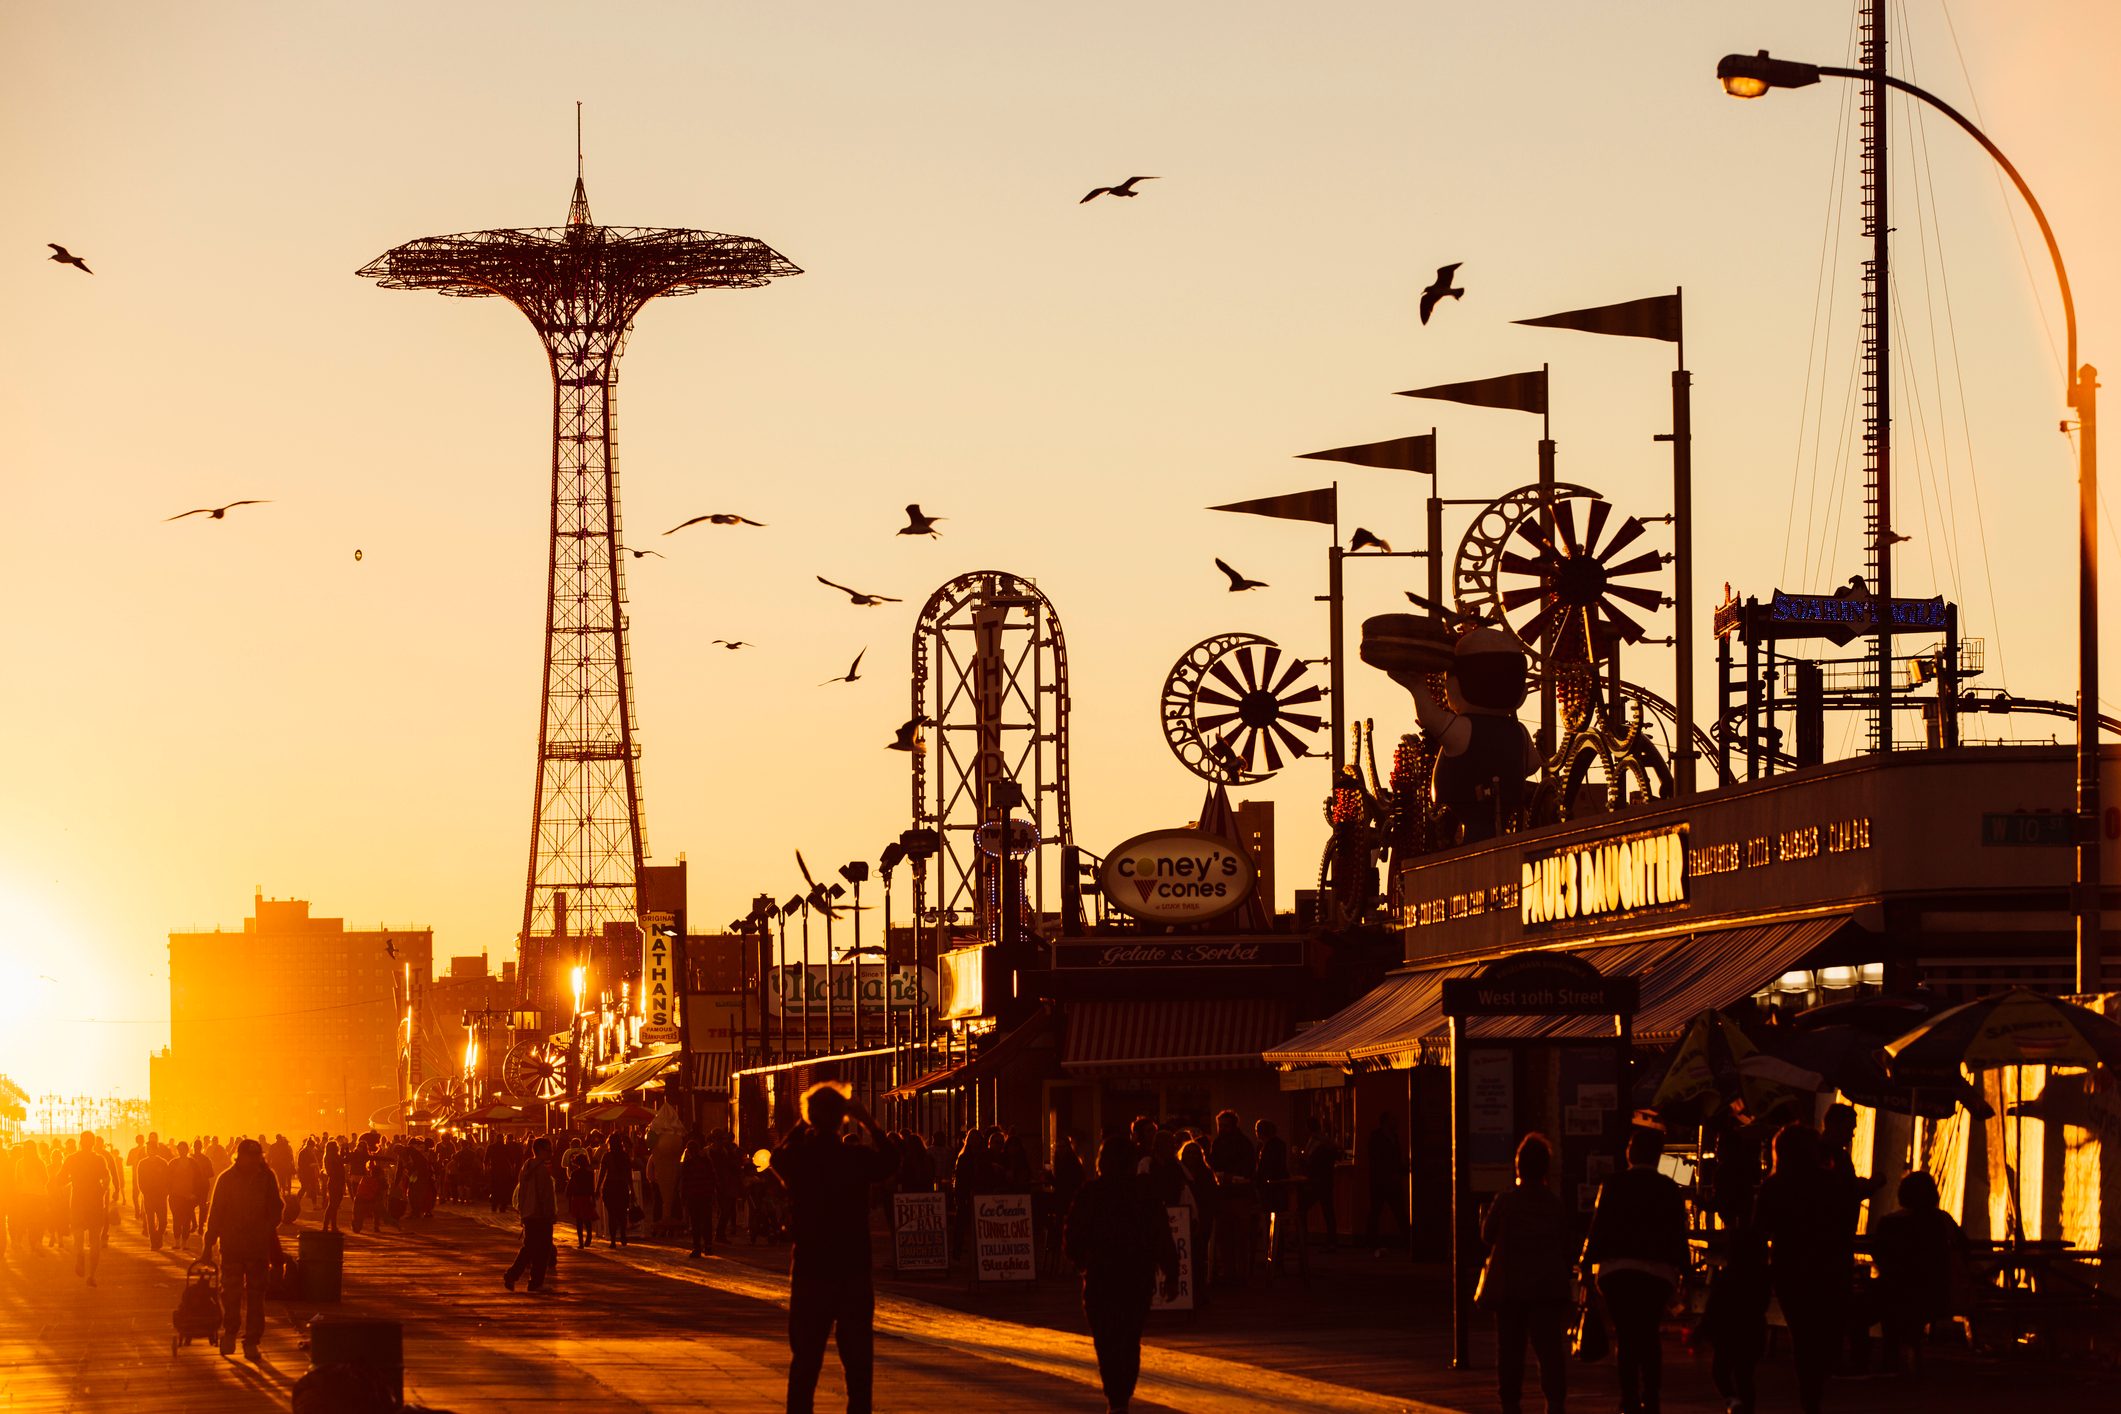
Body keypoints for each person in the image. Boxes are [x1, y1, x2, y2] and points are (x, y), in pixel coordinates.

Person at [770, 1082, 899, 1414]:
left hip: (811, 1268)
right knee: (858, 1363)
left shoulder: (800, 1159)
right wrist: (867, 1121)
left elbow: (778, 1156)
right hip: (852, 1268)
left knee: (805, 1360)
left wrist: (804, 1122)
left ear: (811, 1117)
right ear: (843, 1119)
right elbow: (889, 1162)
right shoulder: (854, 1158)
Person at [1065, 1140, 1181, 1414]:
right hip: (1135, 1276)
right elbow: (1161, 1236)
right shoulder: (1144, 1195)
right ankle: (1122, 1396)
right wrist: (1171, 1273)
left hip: (1101, 1276)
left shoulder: (1091, 1194)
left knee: (1106, 1339)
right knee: (1129, 1338)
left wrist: (1082, 1261)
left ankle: (1115, 1395)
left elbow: (1073, 1235)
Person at [1583, 1121, 1690, 1414]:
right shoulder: (1669, 1189)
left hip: (1618, 1272)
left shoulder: (1613, 1184)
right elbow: (1678, 1234)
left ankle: (1628, 1397)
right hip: (1657, 1275)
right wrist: (1687, 1272)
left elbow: (1599, 1229)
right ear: (1657, 1157)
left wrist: (1586, 1264)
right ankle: (1651, 1395)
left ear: (1631, 1153)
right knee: (1649, 1333)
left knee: (1627, 1335)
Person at [1754, 1123, 1842, 1414]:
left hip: (1789, 1266)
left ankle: (1810, 1394)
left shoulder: (1774, 1187)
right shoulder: (1831, 1184)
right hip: (1827, 1264)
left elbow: (1759, 1231)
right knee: (1823, 1328)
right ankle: (1817, 1384)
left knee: (1802, 1331)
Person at [1481, 1134, 1572, 1414]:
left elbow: (1487, 1236)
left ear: (1518, 1167)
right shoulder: (1554, 1205)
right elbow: (1566, 1246)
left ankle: (1511, 1403)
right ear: (1546, 1168)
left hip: (1511, 1289)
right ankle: (1554, 1403)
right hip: (1546, 1290)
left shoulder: (1506, 1202)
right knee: (1549, 1352)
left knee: (1509, 1352)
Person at [1870, 1170, 1966, 1375]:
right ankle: (1910, 1348)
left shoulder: (1889, 1223)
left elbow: (1879, 1255)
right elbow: (1964, 1249)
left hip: (1894, 1290)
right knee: (1907, 1301)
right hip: (1937, 1292)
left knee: (1885, 1299)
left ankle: (1887, 1357)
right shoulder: (1942, 1221)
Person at [203, 1138, 284, 1360]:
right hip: (232, 1246)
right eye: (250, 1158)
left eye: (258, 1157)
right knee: (231, 1293)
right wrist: (208, 1242)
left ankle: (252, 1340)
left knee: (257, 1296)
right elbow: (216, 1213)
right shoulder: (226, 1179)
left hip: (258, 1248)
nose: (254, 1162)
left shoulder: (267, 1178)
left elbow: (277, 1207)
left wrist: (267, 1228)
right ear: (239, 1157)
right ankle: (230, 1332)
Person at [503, 1136, 559, 1293]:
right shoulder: (541, 1170)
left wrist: (522, 1210)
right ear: (540, 1150)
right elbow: (545, 1195)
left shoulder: (526, 1167)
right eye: (549, 1150)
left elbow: (521, 1191)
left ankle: (513, 1275)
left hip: (528, 1213)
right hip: (540, 1215)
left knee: (529, 1247)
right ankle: (534, 1282)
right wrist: (550, 1213)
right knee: (543, 1249)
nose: (551, 1153)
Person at [61, 1133, 111, 1285]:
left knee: (78, 1233)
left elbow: (61, 1178)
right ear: (93, 1144)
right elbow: (106, 1179)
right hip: (95, 1201)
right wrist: (102, 1191)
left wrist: (70, 1179)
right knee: (95, 1238)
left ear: (80, 1143)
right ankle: (91, 1275)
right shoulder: (99, 1159)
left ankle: (79, 1254)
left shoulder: (71, 1158)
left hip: (77, 1201)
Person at [1364, 1109, 1408, 1247]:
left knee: (1383, 1211)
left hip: (1388, 1180)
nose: (1396, 1122)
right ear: (1386, 1122)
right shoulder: (1382, 1137)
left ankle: (1372, 1241)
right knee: (1388, 1211)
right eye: (1393, 1120)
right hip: (1382, 1181)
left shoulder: (1390, 1136)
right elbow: (1379, 1160)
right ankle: (1406, 1240)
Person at [1299, 1119, 1343, 1251]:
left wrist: (1301, 1160)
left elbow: (1309, 1160)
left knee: (1301, 1209)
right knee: (1328, 1211)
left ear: (1308, 1128)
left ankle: (1302, 1238)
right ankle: (1332, 1240)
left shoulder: (1315, 1142)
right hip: (1326, 1180)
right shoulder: (1327, 1141)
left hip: (1315, 1181)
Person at [679, 1128, 717, 1257]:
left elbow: (684, 1181)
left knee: (697, 1222)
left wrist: (683, 1195)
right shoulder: (705, 1162)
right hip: (703, 1195)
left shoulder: (689, 1164)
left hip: (696, 1196)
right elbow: (712, 1178)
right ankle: (707, 1246)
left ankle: (698, 1247)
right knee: (705, 1221)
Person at [600, 1133, 636, 1247]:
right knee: (622, 1213)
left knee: (612, 1214)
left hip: (610, 1186)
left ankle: (613, 1240)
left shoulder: (607, 1156)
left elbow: (602, 1174)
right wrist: (632, 1190)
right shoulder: (625, 1156)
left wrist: (597, 1188)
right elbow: (629, 1175)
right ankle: (623, 1235)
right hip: (622, 1186)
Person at [138, 1139, 171, 1251]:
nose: (150, 1150)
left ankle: (158, 1236)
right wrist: (145, 1192)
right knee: (150, 1221)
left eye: (152, 1148)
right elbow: (140, 1181)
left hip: (161, 1196)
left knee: (163, 1221)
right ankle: (153, 1243)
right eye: (148, 1149)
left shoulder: (163, 1163)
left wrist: (166, 1192)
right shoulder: (142, 1163)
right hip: (148, 1196)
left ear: (156, 1150)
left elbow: (168, 1179)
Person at [168, 1140, 201, 1248]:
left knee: (187, 1220)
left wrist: (195, 1194)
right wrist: (169, 1192)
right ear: (177, 1150)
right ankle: (177, 1241)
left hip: (189, 1196)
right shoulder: (173, 1163)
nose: (182, 1151)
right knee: (177, 1218)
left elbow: (198, 1179)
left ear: (187, 1150)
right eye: (180, 1149)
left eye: (184, 1149)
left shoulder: (193, 1163)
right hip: (175, 1195)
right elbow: (167, 1179)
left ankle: (185, 1242)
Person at [321, 1140, 346, 1233]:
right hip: (335, 1182)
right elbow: (335, 1171)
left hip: (334, 1182)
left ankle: (330, 1225)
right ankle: (329, 1225)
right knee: (333, 1205)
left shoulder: (330, 1157)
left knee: (333, 1205)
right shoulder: (333, 1157)